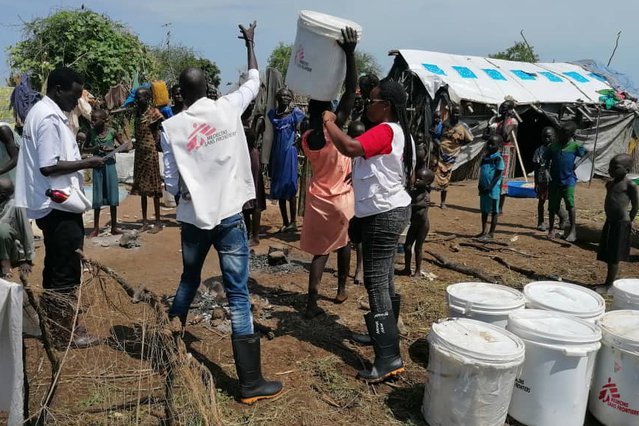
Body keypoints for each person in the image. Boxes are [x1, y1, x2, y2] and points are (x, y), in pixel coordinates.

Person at [161, 21, 282, 404]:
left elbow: (169, 181)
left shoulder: (171, 127)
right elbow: (254, 80)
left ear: (181, 92)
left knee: (189, 279)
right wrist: (250, 44)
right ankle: (249, 384)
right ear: (208, 88)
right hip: (229, 216)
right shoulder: (228, 107)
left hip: (194, 219)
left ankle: (169, 343)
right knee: (238, 294)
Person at [323, 78, 415, 383]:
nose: (368, 106)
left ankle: (388, 357)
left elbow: (349, 147)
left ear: (385, 105)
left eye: (373, 101)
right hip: (387, 211)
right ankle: (386, 337)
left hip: (384, 214)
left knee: (375, 283)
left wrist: (329, 122)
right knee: (385, 277)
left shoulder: (387, 130)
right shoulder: (395, 130)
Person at [15, 67, 105, 348]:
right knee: (66, 268)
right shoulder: (49, 118)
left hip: (50, 203)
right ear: (57, 90)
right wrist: (88, 163)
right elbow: (49, 165)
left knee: (56, 266)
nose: (76, 103)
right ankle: (66, 330)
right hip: (57, 205)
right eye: (74, 96)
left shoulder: (41, 113)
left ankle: (54, 322)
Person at [299, 27, 358, 319]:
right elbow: (350, 92)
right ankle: (340, 290)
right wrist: (349, 52)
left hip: (317, 198)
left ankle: (311, 302)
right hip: (342, 197)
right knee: (343, 243)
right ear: (329, 111)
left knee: (320, 251)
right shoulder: (335, 131)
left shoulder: (308, 136)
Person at [596, 154, 638, 292]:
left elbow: (636, 206)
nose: (610, 170)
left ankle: (609, 284)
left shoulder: (630, 185)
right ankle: (608, 281)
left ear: (626, 170)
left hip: (621, 223)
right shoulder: (610, 184)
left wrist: (629, 222)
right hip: (610, 221)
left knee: (614, 256)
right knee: (608, 253)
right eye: (610, 167)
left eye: (615, 167)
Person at [268, 88, 305, 232]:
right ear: (277, 97)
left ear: (291, 98)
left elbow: (303, 129)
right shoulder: (273, 114)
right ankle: (285, 221)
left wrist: (298, 141)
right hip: (277, 153)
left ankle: (294, 222)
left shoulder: (296, 114)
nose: (285, 97)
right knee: (279, 186)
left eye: (288, 95)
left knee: (290, 185)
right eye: (282, 95)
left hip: (289, 152)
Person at [85, 109, 125, 237]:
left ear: (103, 120)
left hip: (109, 166)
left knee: (112, 195)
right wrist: (94, 148)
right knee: (97, 196)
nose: (92, 122)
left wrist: (111, 149)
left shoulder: (112, 132)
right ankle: (96, 228)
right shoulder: (91, 133)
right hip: (97, 167)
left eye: (95, 119)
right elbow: (83, 148)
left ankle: (114, 226)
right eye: (92, 119)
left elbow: (125, 146)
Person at [544, 121, 586, 242]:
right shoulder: (553, 146)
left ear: (571, 135)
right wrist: (546, 171)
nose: (561, 137)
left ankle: (573, 230)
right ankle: (551, 229)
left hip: (569, 180)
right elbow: (546, 160)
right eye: (560, 134)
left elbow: (586, 154)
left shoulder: (576, 146)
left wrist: (576, 164)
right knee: (552, 206)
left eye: (565, 135)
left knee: (570, 203)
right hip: (554, 180)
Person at [132, 87, 164, 233]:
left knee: (154, 188)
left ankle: (157, 222)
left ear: (148, 98)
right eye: (137, 98)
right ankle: (144, 221)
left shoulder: (154, 113)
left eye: (141, 97)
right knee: (142, 188)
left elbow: (163, 127)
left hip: (150, 153)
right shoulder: (137, 113)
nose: (139, 100)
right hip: (139, 153)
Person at [433, 105, 474, 208]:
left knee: (447, 176)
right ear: (450, 113)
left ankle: (443, 202)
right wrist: (438, 144)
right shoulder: (444, 124)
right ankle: (427, 198)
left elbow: (469, 139)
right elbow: (435, 136)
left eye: (457, 113)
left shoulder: (462, 127)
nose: (455, 115)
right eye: (454, 113)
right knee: (434, 174)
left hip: (452, 155)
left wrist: (458, 145)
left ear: (460, 114)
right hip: (440, 153)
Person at [398, 167, 434, 277]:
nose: (417, 180)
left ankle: (418, 270)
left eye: (420, 179)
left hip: (422, 226)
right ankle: (407, 268)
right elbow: (409, 206)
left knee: (418, 248)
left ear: (427, 183)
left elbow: (419, 210)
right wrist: (416, 205)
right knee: (407, 247)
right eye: (417, 178)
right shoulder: (413, 193)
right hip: (413, 225)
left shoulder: (425, 195)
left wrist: (414, 205)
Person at [486, 100, 518, 212]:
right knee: (491, 176)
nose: (502, 109)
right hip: (492, 150)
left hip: (504, 151)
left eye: (505, 108)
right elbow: (486, 135)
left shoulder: (512, 121)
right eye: (502, 107)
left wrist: (505, 118)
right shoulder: (494, 120)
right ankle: (491, 204)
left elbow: (505, 135)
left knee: (502, 177)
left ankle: (499, 207)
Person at [242, 105, 267, 247]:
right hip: (244, 161)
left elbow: (253, 137)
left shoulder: (257, 119)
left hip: (251, 164)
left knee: (252, 202)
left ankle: (254, 236)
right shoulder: (238, 115)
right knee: (246, 203)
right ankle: (248, 234)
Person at [0, 178, 34, 278]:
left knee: (3, 229)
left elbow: (26, 231)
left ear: (2, 195)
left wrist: (27, 260)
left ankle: (6, 263)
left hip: (12, 252)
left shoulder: (16, 206)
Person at [347, 121, 366, 286]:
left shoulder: (367, 153)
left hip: (360, 197)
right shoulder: (344, 152)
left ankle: (359, 268)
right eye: (355, 136)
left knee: (359, 237)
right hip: (344, 196)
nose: (358, 139)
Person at [477, 135, 505, 241]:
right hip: (483, 188)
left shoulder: (498, 159)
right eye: (488, 143)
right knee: (484, 211)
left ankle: (491, 233)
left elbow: (498, 175)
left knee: (494, 212)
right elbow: (482, 173)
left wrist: (490, 186)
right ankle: (483, 231)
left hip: (493, 190)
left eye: (492, 144)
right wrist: (480, 185)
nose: (489, 145)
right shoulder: (485, 158)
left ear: (499, 146)